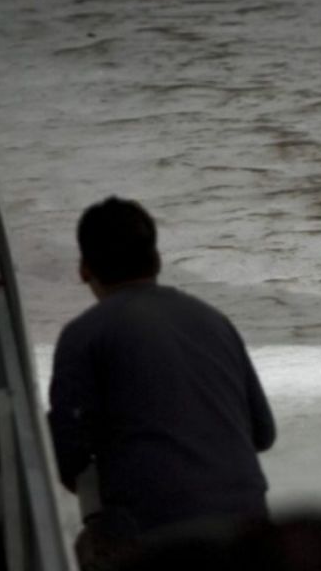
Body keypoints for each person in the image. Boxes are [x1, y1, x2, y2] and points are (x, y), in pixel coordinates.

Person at [48, 197, 276, 571]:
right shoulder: (214, 321)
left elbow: (68, 460)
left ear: (84, 268)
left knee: (91, 545)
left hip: (153, 535)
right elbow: (263, 434)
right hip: (251, 529)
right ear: (156, 260)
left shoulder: (83, 335)